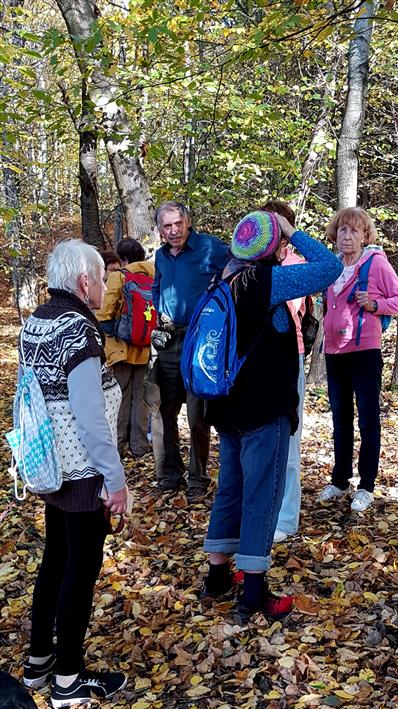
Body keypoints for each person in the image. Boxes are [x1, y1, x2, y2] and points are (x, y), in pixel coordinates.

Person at [202, 210, 342, 622]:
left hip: (226, 406)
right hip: (263, 406)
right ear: (272, 245)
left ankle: (217, 577)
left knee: (230, 487)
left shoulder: (221, 279)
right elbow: (331, 267)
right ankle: (254, 592)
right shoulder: (268, 282)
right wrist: (293, 231)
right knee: (262, 492)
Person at [19, 239, 128, 707]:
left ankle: (39, 659)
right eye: (102, 277)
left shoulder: (36, 322)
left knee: (55, 561)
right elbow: (91, 417)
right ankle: (68, 677)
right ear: (85, 282)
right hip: (83, 474)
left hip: (51, 467)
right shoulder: (78, 331)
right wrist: (115, 480)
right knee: (80, 571)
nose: (106, 286)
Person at [318, 207, 398, 513]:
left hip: (364, 352)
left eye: (354, 231)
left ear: (365, 236)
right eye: (343, 230)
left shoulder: (376, 265)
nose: (347, 236)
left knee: (368, 420)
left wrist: (374, 304)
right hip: (334, 352)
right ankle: (340, 479)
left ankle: (366, 486)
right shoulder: (331, 266)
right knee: (340, 420)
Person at [151, 201, 229, 501]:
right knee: (165, 408)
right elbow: (157, 287)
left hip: (201, 340)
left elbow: (235, 272)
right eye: (167, 226)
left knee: (198, 413)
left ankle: (198, 477)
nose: (173, 231)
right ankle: (171, 473)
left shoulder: (211, 248)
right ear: (160, 230)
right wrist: (160, 310)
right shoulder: (160, 256)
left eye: (178, 224)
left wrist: (217, 312)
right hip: (169, 339)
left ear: (188, 222)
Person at [261, 200, 306, 544]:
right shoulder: (252, 263)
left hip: (290, 358)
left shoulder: (295, 264)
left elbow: (326, 266)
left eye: (280, 228)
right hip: (255, 363)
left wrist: (292, 236)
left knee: (288, 439)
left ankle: (287, 518)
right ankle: (262, 510)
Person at [95, 238, 153, 457]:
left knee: (118, 397)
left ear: (123, 258)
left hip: (120, 350)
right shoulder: (155, 273)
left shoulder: (119, 276)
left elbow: (104, 313)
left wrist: (113, 334)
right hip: (146, 348)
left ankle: (118, 446)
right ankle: (139, 447)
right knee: (141, 399)